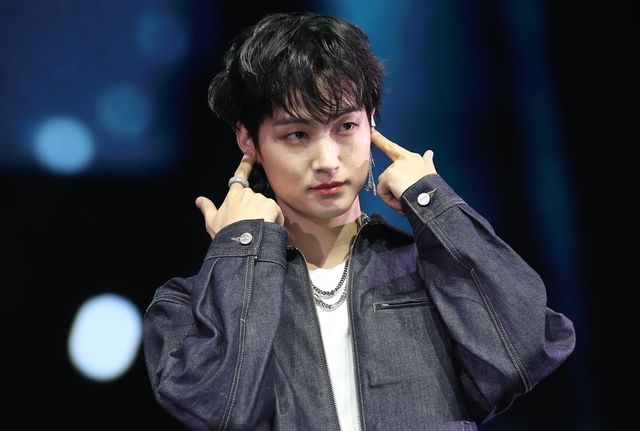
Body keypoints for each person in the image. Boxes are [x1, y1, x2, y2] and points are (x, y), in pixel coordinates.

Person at [142, 12, 575, 431]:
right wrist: (242, 249)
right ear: (248, 140)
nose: (327, 161)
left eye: (345, 126)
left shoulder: (429, 271)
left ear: (371, 121)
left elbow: (528, 350)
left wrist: (434, 203)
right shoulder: (187, 304)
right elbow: (221, 411)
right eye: (297, 135)